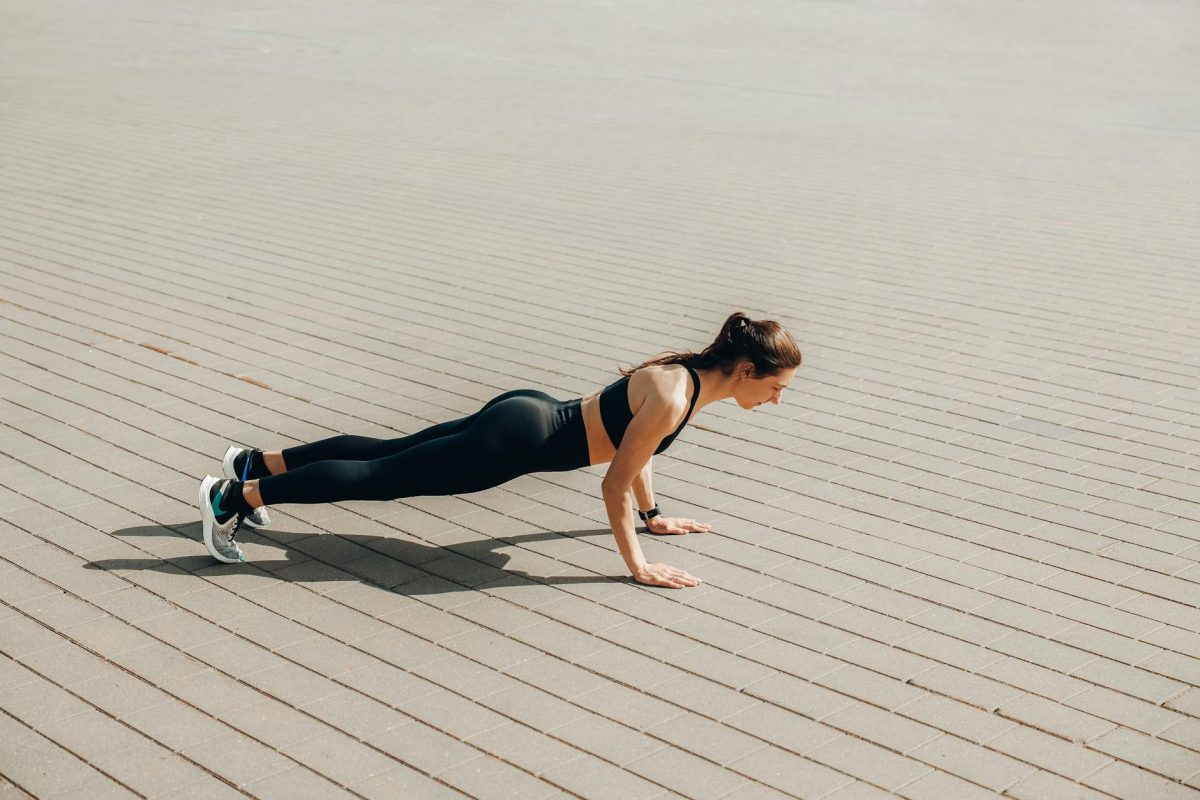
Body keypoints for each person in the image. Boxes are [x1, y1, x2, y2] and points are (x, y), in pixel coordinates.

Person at [198, 311, 802, 588]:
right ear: (746, 370)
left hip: (526, 410)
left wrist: (653, 516)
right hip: (515, 443)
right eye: (775, 389)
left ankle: (257, 463)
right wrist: (637, 565)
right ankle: (234, 497)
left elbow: (634, 452)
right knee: (379, 476)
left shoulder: (683, 375)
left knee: (390, 451)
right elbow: (614, 480)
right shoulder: (677, 398)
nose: (777, 401)